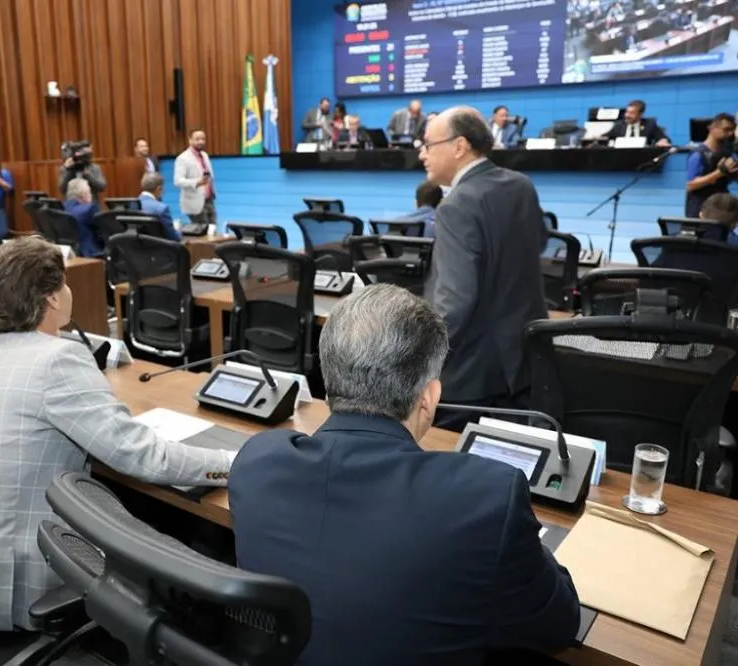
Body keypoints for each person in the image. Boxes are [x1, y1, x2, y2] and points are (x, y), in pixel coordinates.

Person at [230, 284, 581, 666]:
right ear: (429, 397)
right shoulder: (486, 499)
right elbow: (559, 623)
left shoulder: (257, 462)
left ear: (328, 377)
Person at [0, 237, 235, 631]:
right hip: (22, 578)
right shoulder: (56, 360)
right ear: (52, 298)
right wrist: (228, 463)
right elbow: (143, 458)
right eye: (65, 283)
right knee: (180, 543)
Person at [420, 106, 548, 431]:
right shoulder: (521, 185)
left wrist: (417, 359)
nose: (422, 154)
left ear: (459, 146)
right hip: (525, 366)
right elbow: (540, 244)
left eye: (428, 144)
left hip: (469, 379)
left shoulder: (455, 206)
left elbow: (454, 304)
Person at [685, 112, 737, 217]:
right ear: (712, 129)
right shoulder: (698, 154)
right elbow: (691, 185)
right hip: (700, 207)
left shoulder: (728, 153)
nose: (730, 133)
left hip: (721, 206)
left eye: (732, 130)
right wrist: (719, 173)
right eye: (726, 129)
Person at [173, 128, 216, 231]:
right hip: (195, 202)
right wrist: (197, 182)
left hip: (209, 200)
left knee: (213, 231)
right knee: (203, 233)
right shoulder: (182, 158)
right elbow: (177, 181)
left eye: (203, 139)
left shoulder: (204, 155)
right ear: (190, 140)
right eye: (197, 139)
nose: (201, 141)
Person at [601, 100, 670, 147]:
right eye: (627, 112)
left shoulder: (649, 124)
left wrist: (663, 141)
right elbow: (605, 138)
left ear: (640, 114)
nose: (627, 115)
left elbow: (664, 139)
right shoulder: (619, 125)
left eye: (632, 113)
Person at [63, 177, 102, 257]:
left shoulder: (62, 207)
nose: (91, 195)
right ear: (83, 193)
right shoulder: (90, 208)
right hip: (89, 253)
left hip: (69, 253)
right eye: (89, 192)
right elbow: (103, 229)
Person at [138, 172, 181, 241]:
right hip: (158, 249)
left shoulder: (130, 205)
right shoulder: (162, 208)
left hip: (135, 249)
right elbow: (174, 238)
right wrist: (178, 230)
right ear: (159, 189)